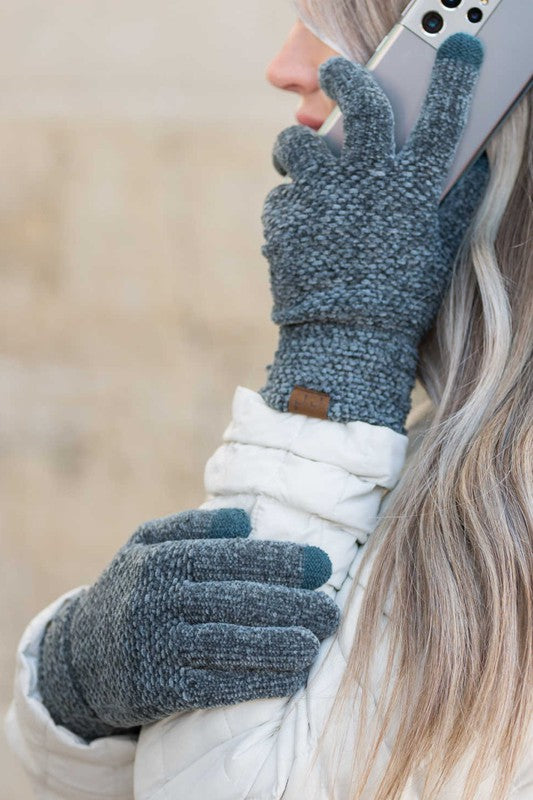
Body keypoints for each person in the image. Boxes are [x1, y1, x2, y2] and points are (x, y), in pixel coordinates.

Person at [5, 2, 532, 799]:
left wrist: (337, 348)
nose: (284, 66)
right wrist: (75, 688)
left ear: (477, 98)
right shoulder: (450, 446)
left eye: (344, 19)